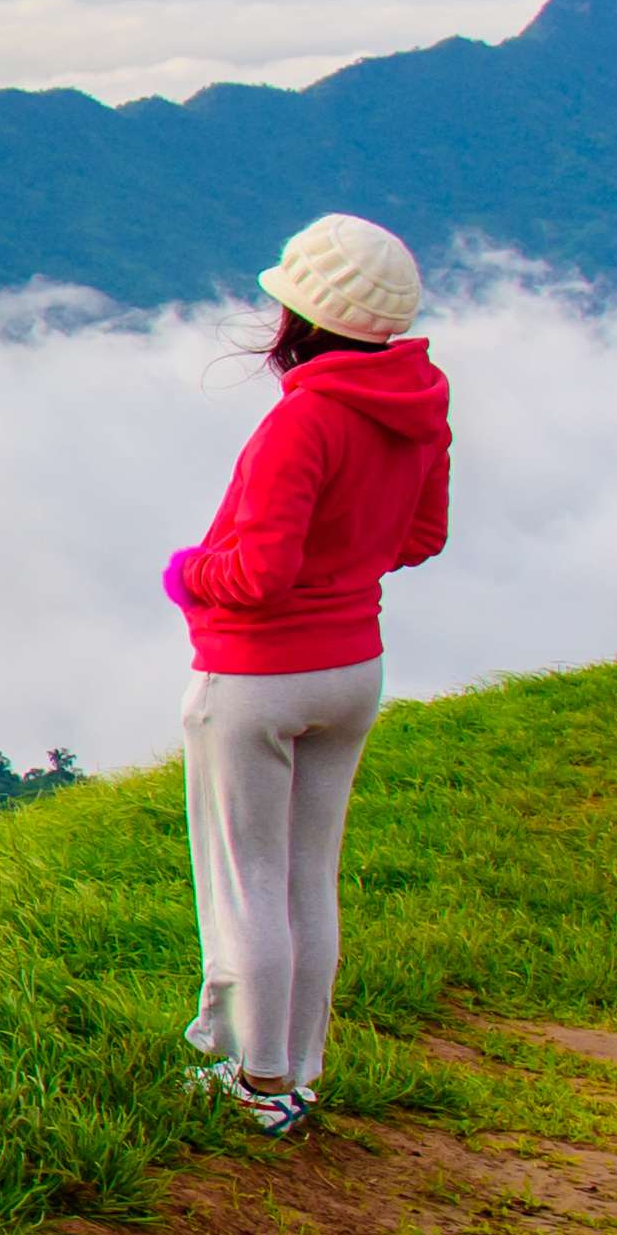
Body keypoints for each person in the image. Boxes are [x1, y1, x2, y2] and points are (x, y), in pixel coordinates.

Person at [162, 212, 452, 1135]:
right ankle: (298, 1072)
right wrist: (346, 562)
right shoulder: (420, 408)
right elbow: (422, 537)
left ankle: (259, 1084)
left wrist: (185, 572)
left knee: (247, 883)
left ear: (299, 318)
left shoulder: (305, 421)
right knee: (305, 877)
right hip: (351, 667)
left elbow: (257, 574)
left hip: (258, 679)